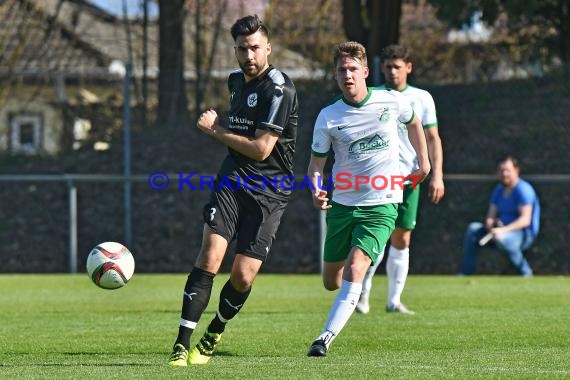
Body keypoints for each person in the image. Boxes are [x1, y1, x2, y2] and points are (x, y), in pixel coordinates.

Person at [168, 15, 299, 366]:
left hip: (271, 190)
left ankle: (214, 333)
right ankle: (180, 345)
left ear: (268, 48)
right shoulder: (235, 82)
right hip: (233, 180)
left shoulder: (279, 89)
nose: (249, 54)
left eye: (255, 47)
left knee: (242, 276)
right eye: (242, 48)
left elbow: (261, 149)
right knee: (209, 256)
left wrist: (215, 131)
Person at [306, 41, 430, 357]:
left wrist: (424, 161)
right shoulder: (328, 116)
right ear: (335, 75)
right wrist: (317, 189)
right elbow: (315, 166)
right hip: (344, 206)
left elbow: (414, 120)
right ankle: (347, 294)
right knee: (331, 281)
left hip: (382, 203)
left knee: (357, 267)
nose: (347, 75)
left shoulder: (390, 101)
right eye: (341, 70)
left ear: (365, 71)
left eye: (352, 69)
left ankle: (324, 339)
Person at [356, 44, 445, 316]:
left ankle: (394, 301)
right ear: (381, 69)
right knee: (377, 238)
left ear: (409, 67)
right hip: (378, 179)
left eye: (397, 66)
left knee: (402, 238)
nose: (392, 72)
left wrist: (437, 175)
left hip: (410, 178)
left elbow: (432, 138)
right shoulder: (372, 96)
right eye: (388, 67)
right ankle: (362, 297)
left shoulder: (422, 98)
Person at [460, 155, 540, 276]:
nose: (504, 173)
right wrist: (490, 223)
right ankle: (465, 273)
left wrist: (503, 230)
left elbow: (525, 220)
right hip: (498, 231)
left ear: (516, 171)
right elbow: (491, 214)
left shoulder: (523, 190)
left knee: (504, 240)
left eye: (507, 170)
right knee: (473, 229)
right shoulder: (498, 190)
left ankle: (525, 272)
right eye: (501, 170)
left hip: (522, 234)